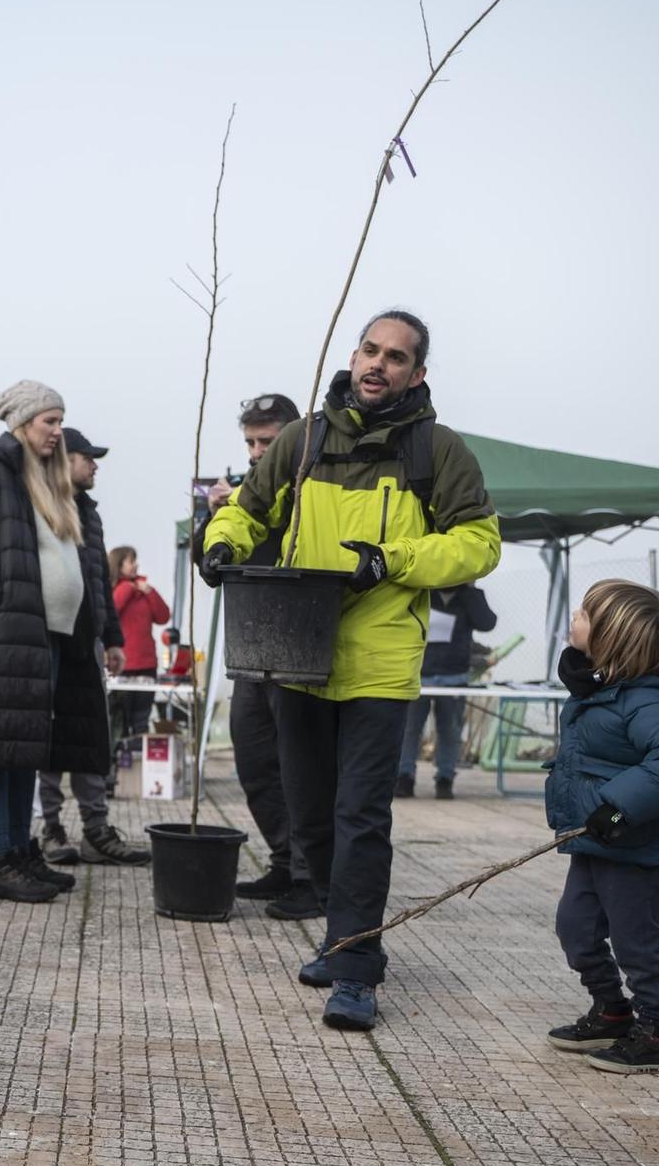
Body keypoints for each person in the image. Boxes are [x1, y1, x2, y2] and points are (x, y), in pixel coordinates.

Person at [201, 313, 501, 1030]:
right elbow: (246, 510)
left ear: (417, 373)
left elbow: (479, 543)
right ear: (354, 354)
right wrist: (219, 544)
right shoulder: (304, 439)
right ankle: (341, 935)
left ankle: (357, 968)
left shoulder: (440, 450)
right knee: (309, 815)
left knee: (360, 816)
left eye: (397, 357)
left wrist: (392, 559)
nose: (379, 364)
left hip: (380, 663)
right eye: (371, 350)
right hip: (299, 656)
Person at [544, 581, 659, 1074]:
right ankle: (611, 1010)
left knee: (635, 940)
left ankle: (656, 1034)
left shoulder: (650, 703)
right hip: (601, 840)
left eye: (584, 613)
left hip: (642, 845)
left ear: (610, 638)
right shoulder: (607, 691)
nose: (574, 616)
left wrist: (620, 806)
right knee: (575, 928)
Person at [0, 382, 113, 903]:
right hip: (9, 633)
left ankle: (21, 853)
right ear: (22, 422)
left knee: (26, 748)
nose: (58, 431)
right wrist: (2, 600)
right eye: (50, 421)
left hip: (51, 637)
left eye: (61, 421)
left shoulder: (47, 481)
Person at [200, 394, 312, 918]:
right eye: (250, 442)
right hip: (250, 646)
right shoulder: (245, 492)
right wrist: (215, 519)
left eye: (267, 441)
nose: (257, 452)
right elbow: (212, 557)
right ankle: (285, 860)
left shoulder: (315, 489)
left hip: (303, 647)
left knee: (301, 765)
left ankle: (313, 875)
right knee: (254, 759)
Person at [37, 428, 148, 867]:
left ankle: (96, 830)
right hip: (49, 639)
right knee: (48, 740)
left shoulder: (91, 514)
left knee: (91, 734)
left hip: (87, 642)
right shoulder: (41, 506)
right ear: (65, 461)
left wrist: (114, 639)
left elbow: (100, 583)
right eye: (88, 457)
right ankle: (51, 828)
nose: (95, 465)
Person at [396, 585, 497, 800]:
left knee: (450, 729)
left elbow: (487, 623)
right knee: (409, 728)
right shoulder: (424, 590)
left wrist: (470, 591)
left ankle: (445, 778)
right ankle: (404, 777)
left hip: (455, 675)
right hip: (420, 672)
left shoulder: (469, 596)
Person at [107, 544, 170, 742]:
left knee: (141, 721)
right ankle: (121, 766)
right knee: (121, 721)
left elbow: (163, 616)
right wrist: (128, 588)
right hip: (122, 666)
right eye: (131, 561)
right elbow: (112, 611)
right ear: (119, 564)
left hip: (146, 666)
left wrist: (150, 592)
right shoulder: (115, 589)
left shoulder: (144, 590)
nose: (136, 565)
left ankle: (139, 765)